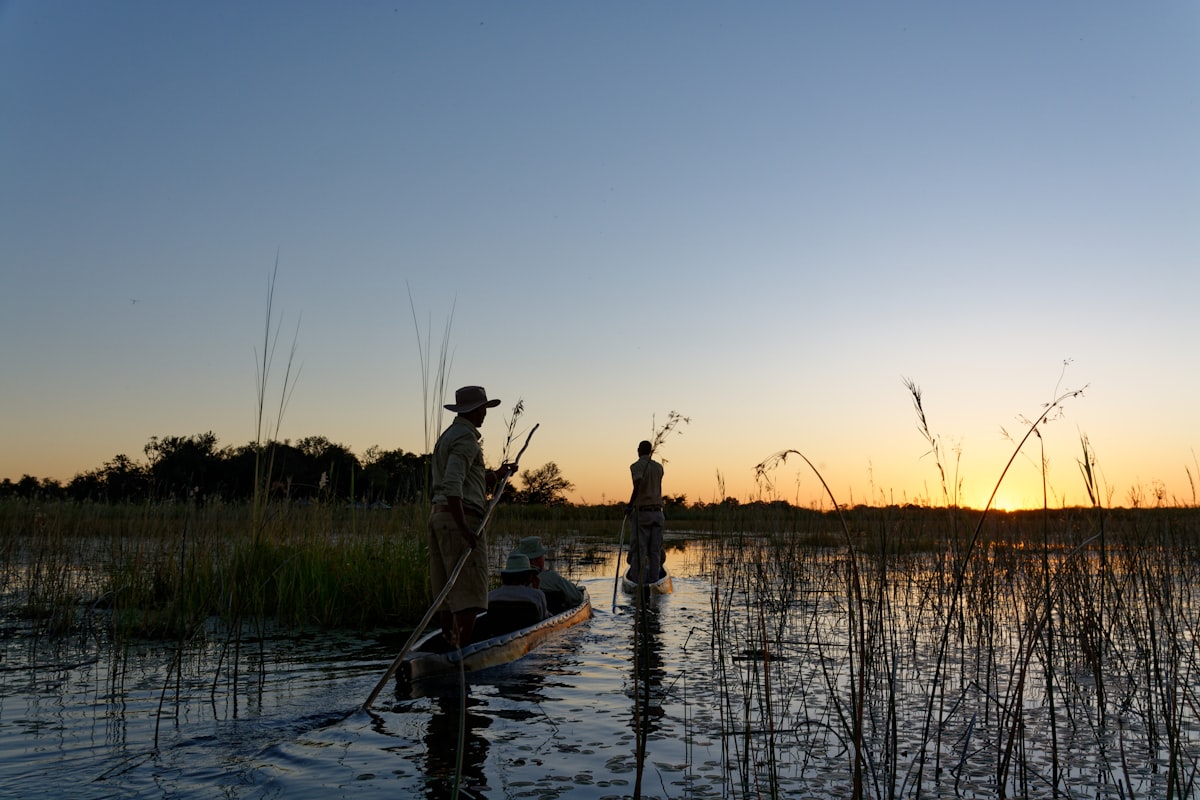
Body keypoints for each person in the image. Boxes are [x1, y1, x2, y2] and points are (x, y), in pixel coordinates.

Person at [428, 385, 517, 648]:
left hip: (440, 519)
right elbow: (453, 485)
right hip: (460, 520)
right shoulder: (466, 440)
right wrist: (465, 529)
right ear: (473, 410)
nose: (485, 414)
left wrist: (498, 475)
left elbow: (465, 480)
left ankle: (448, 646)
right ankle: (460, 654)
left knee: (447, 592)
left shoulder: (448, 437)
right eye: (483, 409)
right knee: (469, 594)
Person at [626, 440, 665, 584]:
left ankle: (638, 583)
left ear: (638, 450)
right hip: (658, 513)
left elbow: (637, 486)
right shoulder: (659, 467)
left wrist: (629, 506)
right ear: (650, 452)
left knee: (639, 550)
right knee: (655, 551)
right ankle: (654, 581)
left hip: (642, 513)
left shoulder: (636, 466)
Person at [518, 535, 584, 613]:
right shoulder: (551, 577)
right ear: (535, 560)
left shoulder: (511, 581)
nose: (544, 558)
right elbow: (577, 597)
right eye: (542, 555)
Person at [487, 552, 549, 621]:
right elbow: (545, 619)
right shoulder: (537, 595)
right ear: (528, 576)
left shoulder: (491, 596)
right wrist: (536, 589)